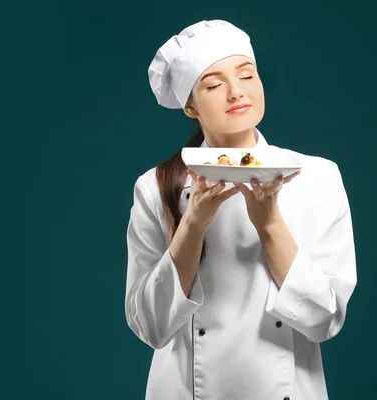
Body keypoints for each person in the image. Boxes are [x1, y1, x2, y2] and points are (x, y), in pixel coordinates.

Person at [124, 20, 357, 400]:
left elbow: (324, 321)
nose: (236, 92)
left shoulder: (316, 176)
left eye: (247, 75)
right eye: (214, 85)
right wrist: (194, 223)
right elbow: (150, 328)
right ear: (189, 105)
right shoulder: (155, 186)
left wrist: (269, 225)